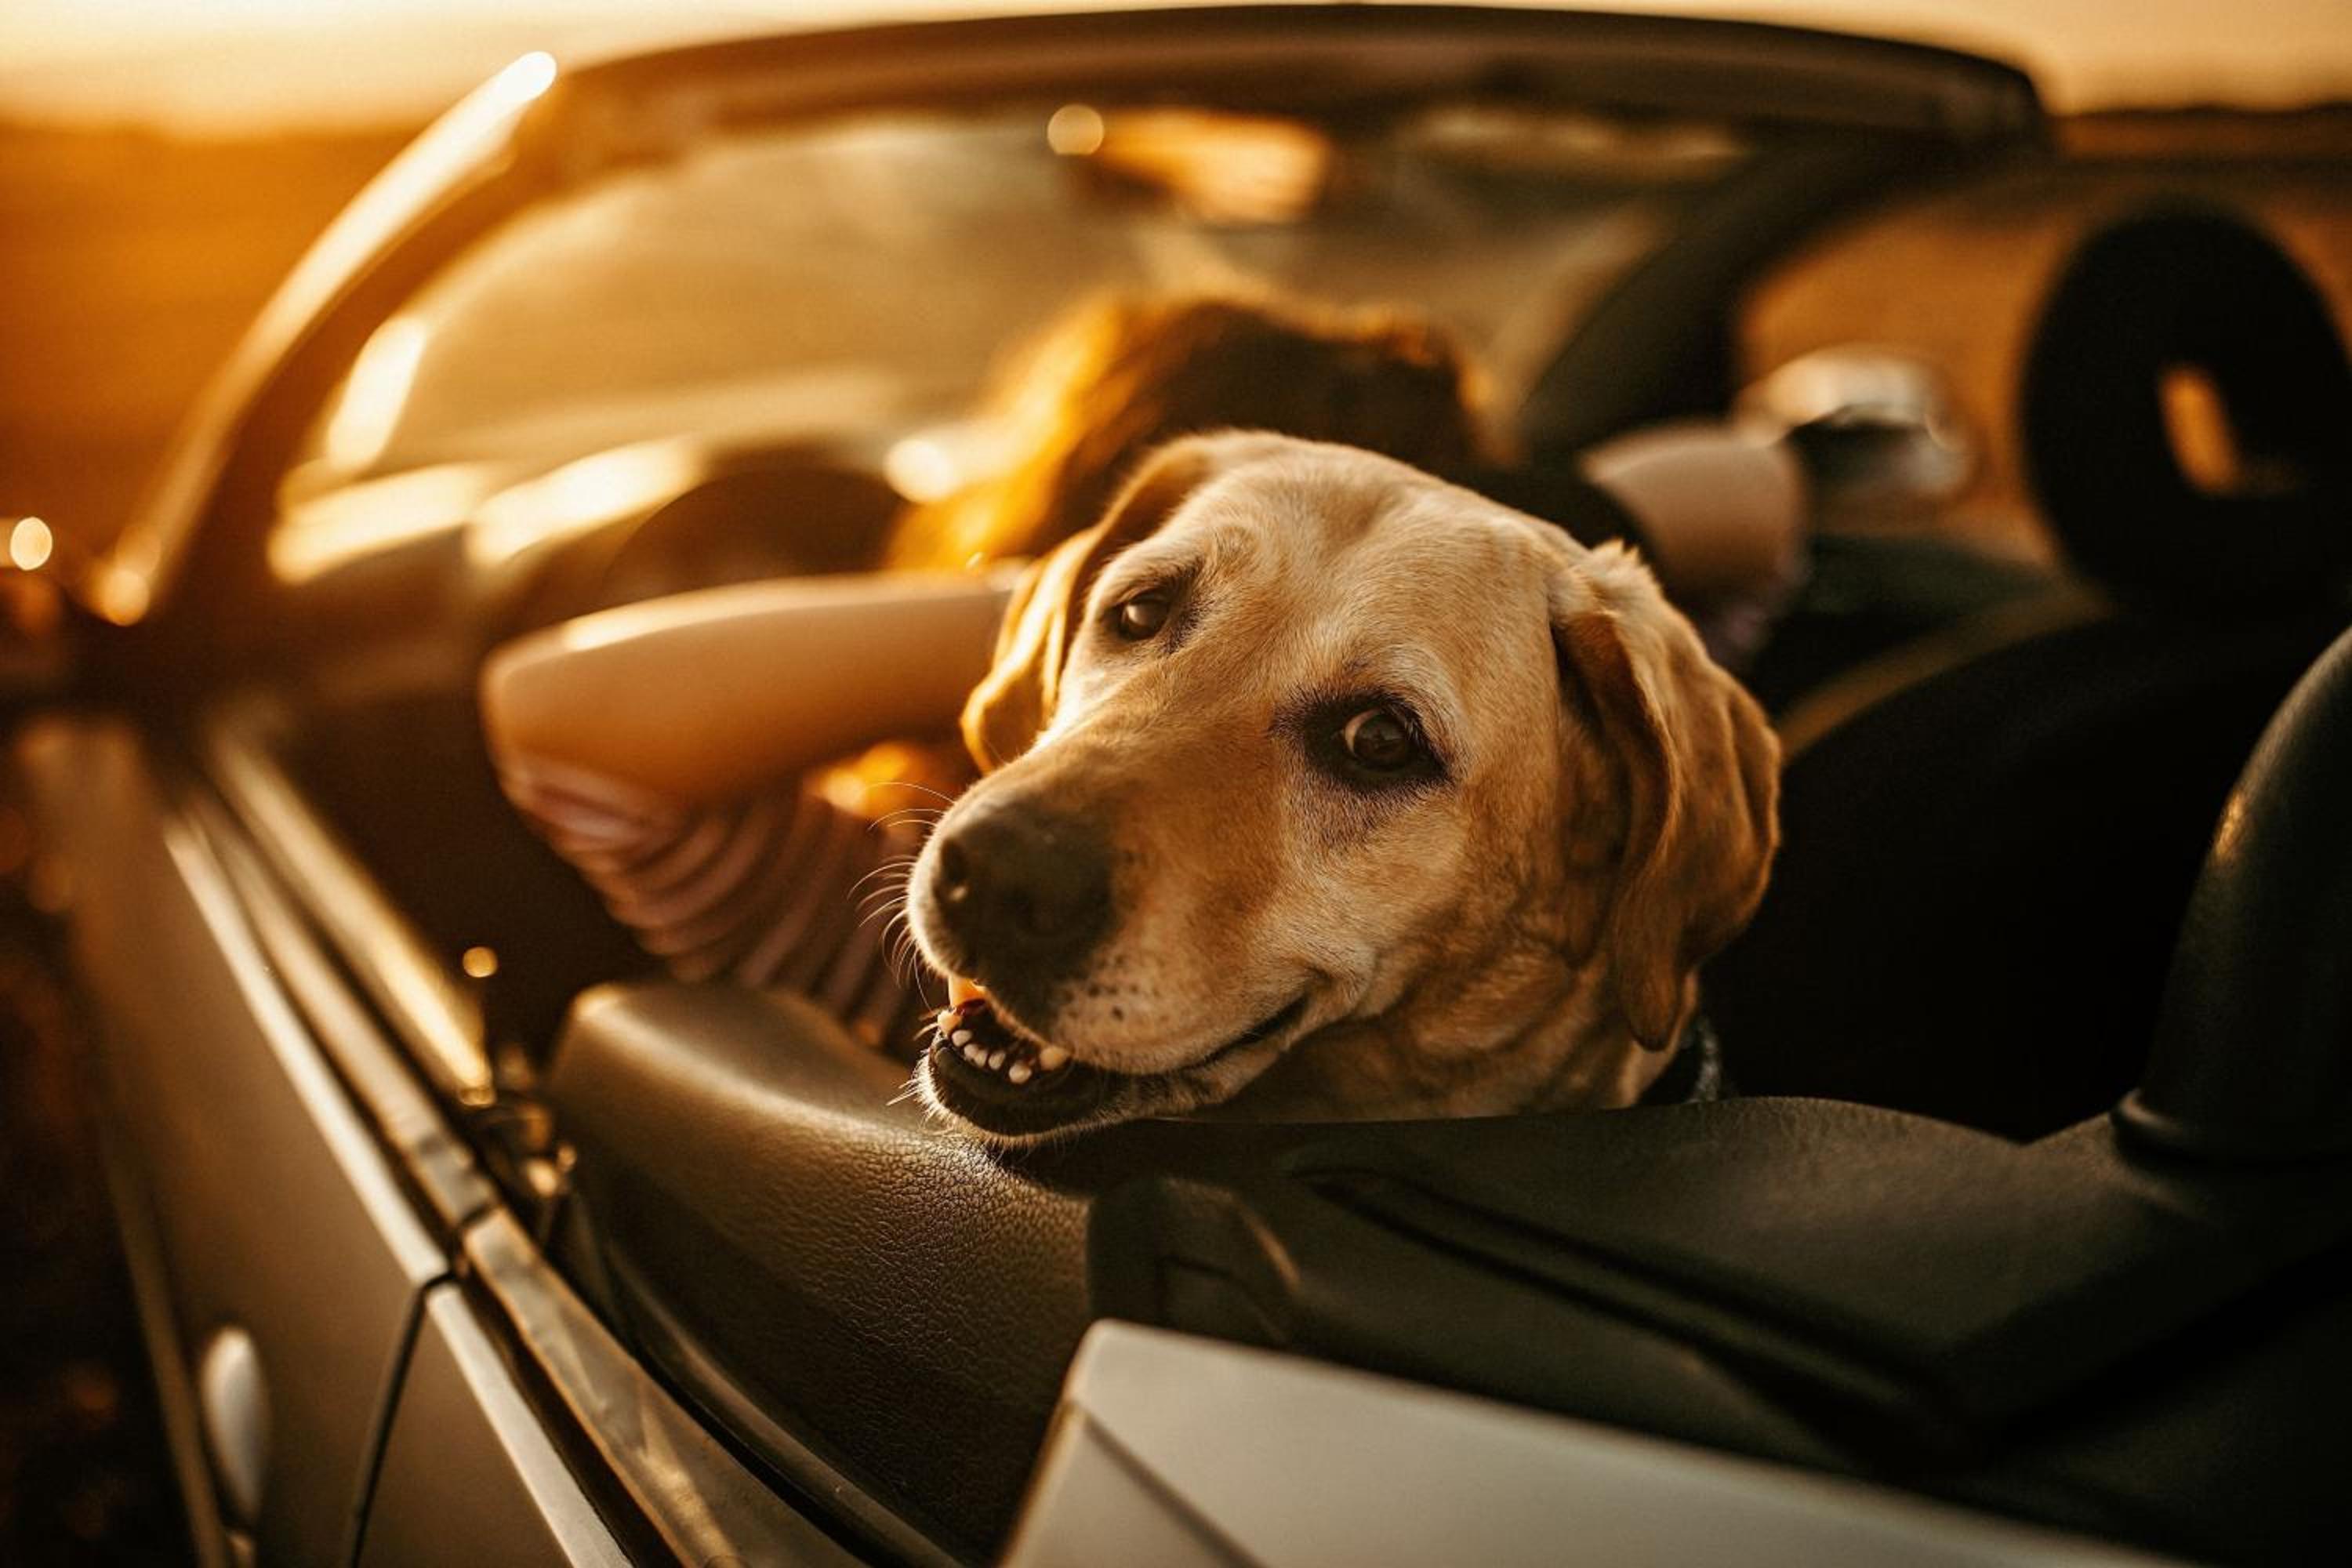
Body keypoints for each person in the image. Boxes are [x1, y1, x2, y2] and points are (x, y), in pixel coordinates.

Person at [481, 293, 1802, 1058]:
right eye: (1143, 611)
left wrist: (1452, 561)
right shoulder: (876, 910)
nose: (1009, 849)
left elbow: (1760, 504)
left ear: (1597, 844)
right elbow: (552, 715)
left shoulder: (1590, 720)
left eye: (1373, 742)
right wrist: (1080, 589)